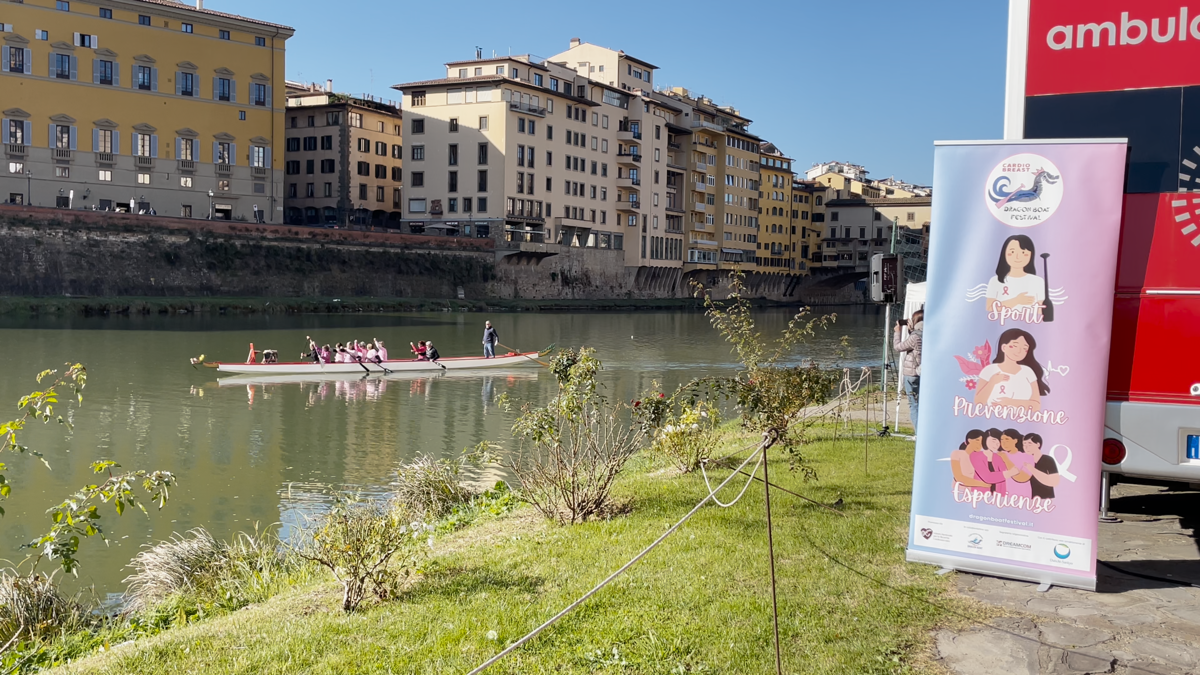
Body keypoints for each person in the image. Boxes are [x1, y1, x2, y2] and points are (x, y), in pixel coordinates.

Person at [975, 328, 1050, 411]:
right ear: (1004, 347)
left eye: (1025, 349)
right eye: (1014, 346)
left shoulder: (1027, 372)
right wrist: (992, 382)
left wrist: (1010, 402)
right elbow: (978, 402)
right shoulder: (989, 370)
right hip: (993, 419)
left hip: (1023, 420)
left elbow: (1036, 405)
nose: (1019, 351)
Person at [985, 235, 1045, 318]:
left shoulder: (1038, 281)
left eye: (1023, 252)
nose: (1017, 257)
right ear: (1004, 253)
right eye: (1012, 252)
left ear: (1031, 255)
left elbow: (1041, 310)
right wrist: (1016, 301)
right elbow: (990, 308)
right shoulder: (995, 281)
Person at [893, 309, 923, 436]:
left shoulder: (915, 337)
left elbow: (898, 347)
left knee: (914, 405)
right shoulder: (929, 334)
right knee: (922, 404)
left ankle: (919, 434)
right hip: (923, 373)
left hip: (912, 374)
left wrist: (897, 332)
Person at [970, 428, 1017, 494]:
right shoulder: (975, 456)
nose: (996, 444)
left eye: (998, 441)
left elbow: (1002, 482)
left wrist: (1001, 497)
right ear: (985, 439)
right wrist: (1010, 473)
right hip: (980, 496)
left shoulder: (998, 457)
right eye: (993, 440)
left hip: (996, 497)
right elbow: (987, 477)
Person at [1022, 433, 1061, 499]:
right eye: (1024, 444)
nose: (1026, 447)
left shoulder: (1048, 460)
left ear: (1038, 444)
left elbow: (1054, 481)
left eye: (1029, 444)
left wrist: (1032, 469)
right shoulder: (1024, 461)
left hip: (1046, 500)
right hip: (1029, 500)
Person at [999, 428, 1035, 499]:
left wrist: (1006, 460)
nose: (1003, 443)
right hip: (1001, 497)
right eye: (1002, 440)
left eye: (1007, 439)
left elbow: (1023, 478)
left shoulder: (1027, 456)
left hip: (1021, 496)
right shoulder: (999, 455)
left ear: (1015, 440)